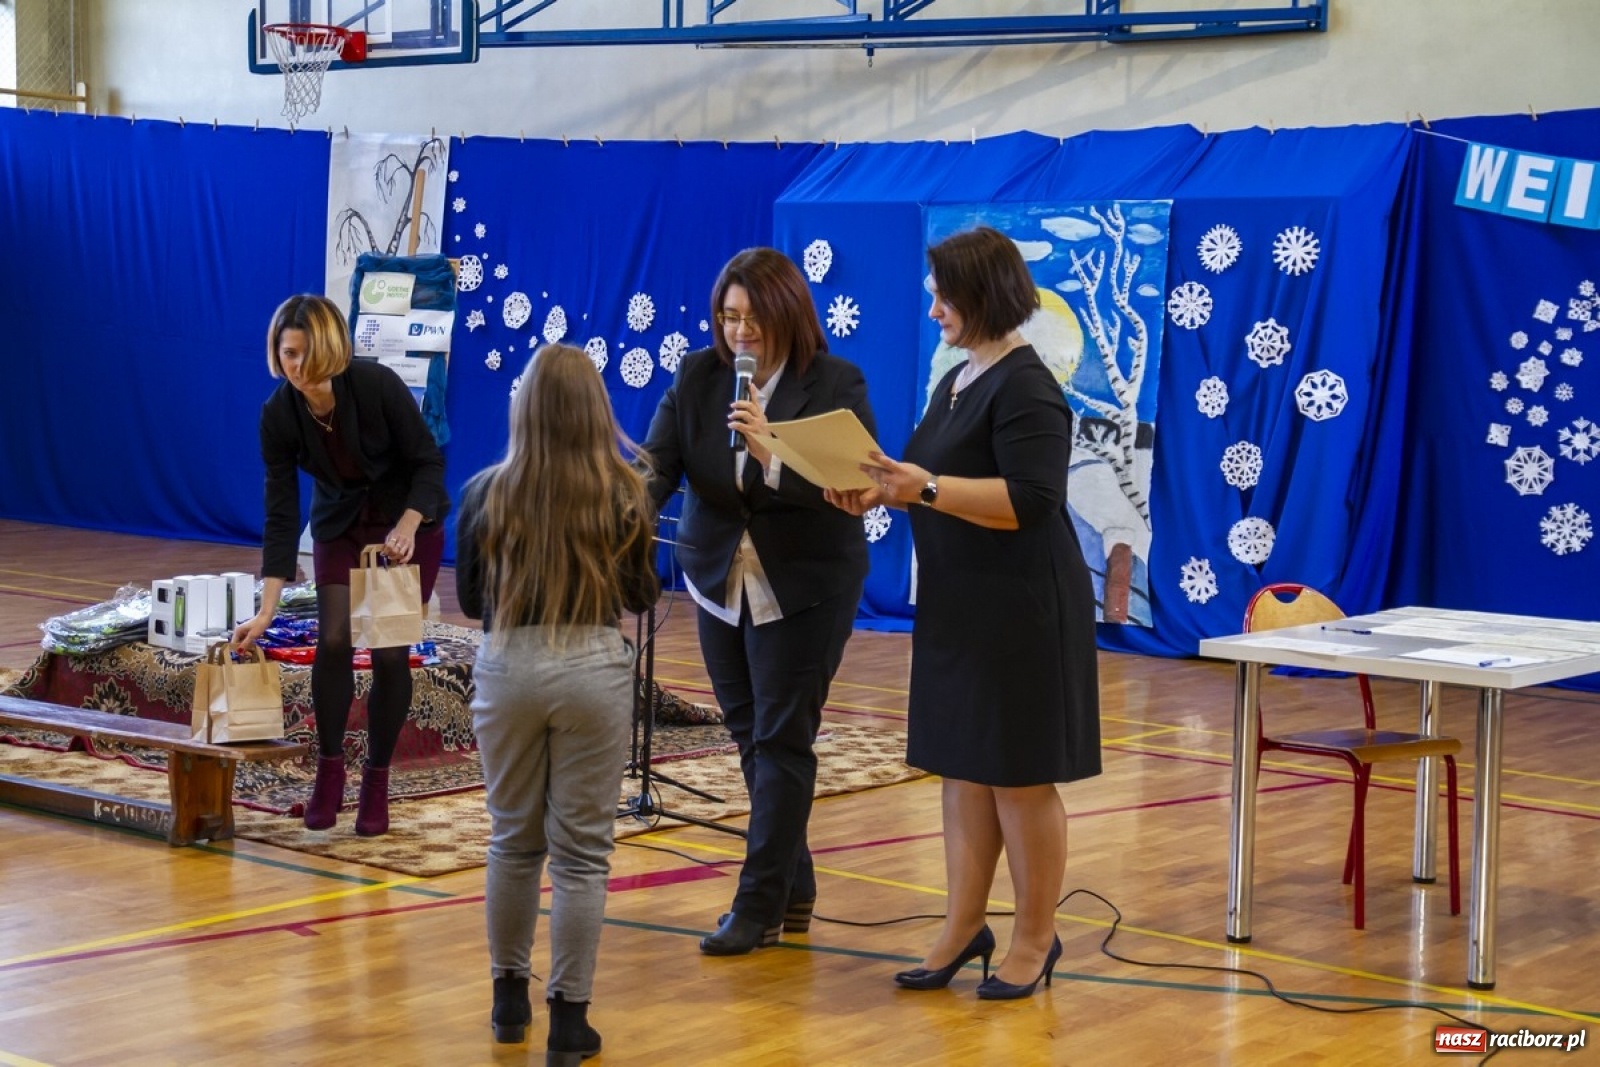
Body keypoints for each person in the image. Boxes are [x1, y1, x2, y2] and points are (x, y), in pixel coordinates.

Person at [826, 225, 1101, 999]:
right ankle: (962, 923)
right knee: (964, 768)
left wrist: (927, 489)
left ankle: (1036, 936)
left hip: (1020, 608)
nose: (932, 303)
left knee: (1017, 776)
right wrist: (878, 485)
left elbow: (1032, 499)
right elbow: (929, 475)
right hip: (960, 605)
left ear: (980, 295)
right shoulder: (958, 377)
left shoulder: (1028, 385)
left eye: (943, 290)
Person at [641, 247, 875, 956]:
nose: (739, 330)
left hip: (806, 584)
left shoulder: (836, 382)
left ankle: (757, 903)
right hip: (719, 581)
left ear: (786, 314)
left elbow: (855, 486)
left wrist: (775, 455)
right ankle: (793, 887)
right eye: (728, 315)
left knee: (782, 739)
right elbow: (657, 468)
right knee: (750, 737)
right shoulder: (698, 376)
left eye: (752, 316)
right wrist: (621, 517)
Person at [454, 343, 659, 1061]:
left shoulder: (486, 491)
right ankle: (570, 1019)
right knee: (582, 856)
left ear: (524, 408)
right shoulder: (625, 492)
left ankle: (508, 999)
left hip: (508, 662)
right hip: (591, 666)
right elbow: (639, 594)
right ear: (595, 412)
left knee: (513, 839)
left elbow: (475, 599)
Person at [233, 293, 449, 837]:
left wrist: (405, 524)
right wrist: (266, 610)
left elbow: (428, 461)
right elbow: (279, 514)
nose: (296, 367)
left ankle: (376, 781)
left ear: (329, 348)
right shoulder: (278, 414)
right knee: (333, 639)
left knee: (388, 651)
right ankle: (329, 775)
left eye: (305, 354)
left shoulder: (375, 385)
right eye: (287, 354)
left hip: (406, 523)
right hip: (340, 524)